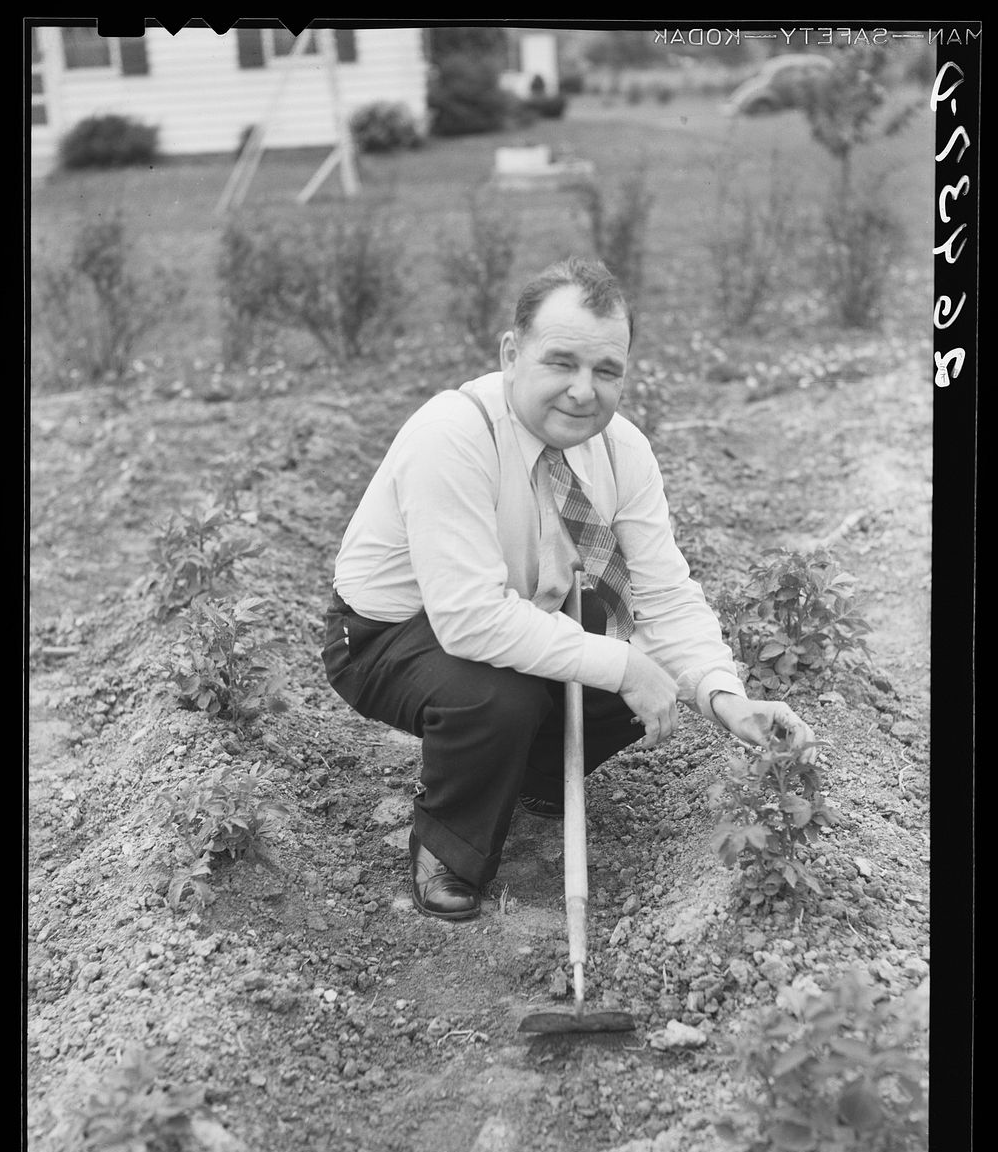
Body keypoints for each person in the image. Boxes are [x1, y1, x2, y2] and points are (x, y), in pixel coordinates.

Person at [322, 257, 815, 922]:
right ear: (512, 353)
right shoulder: (455, 435)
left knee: (620, 647)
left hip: (519, 605)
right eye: (562, 362)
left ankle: (527, 775)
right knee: (506, 693)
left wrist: (726, 700)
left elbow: (661, 595)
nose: (585, 391)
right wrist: (625, 662)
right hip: (389, 633)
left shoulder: (621, 451)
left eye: (607, 370)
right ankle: (449, 843)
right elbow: (468, 620)